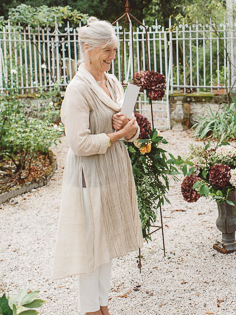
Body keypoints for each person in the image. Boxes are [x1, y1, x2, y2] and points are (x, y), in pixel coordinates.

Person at [52, 17, 143, 315]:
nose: (112, 57)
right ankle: (89, 309)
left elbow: (132, 129)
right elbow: (78, 144)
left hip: (114, 171)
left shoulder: (114, 82)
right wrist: (116, 134)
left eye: (114, 50)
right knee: (91, 248)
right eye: (107, 50)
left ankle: (103, 306)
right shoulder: (77, 90)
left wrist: (130, 128)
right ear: (87, 48)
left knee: (107, 245)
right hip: (88, 176)